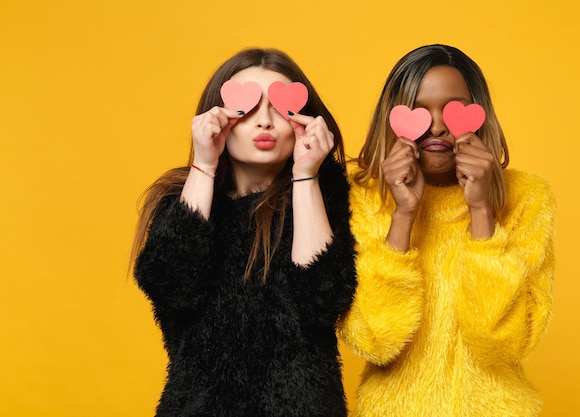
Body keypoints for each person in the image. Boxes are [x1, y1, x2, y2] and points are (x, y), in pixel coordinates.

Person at [130, 48, 356, 417]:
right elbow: (170, 285)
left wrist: (306, 175)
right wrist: (203, 164)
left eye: (281, 109)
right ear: (217, 117)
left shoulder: (323, 198)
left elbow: (321, 303)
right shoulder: (184, 201)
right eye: (247, 107)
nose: (264, 122)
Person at [338, 44, 556, 417]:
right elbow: (374, 340)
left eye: (452, 109)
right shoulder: (361, 198)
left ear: (479, 115)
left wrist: (482, 210)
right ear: (394, 117)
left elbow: (504, 344)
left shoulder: (527, 199)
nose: (437, 125)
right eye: (419, 111)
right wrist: (404, 214)